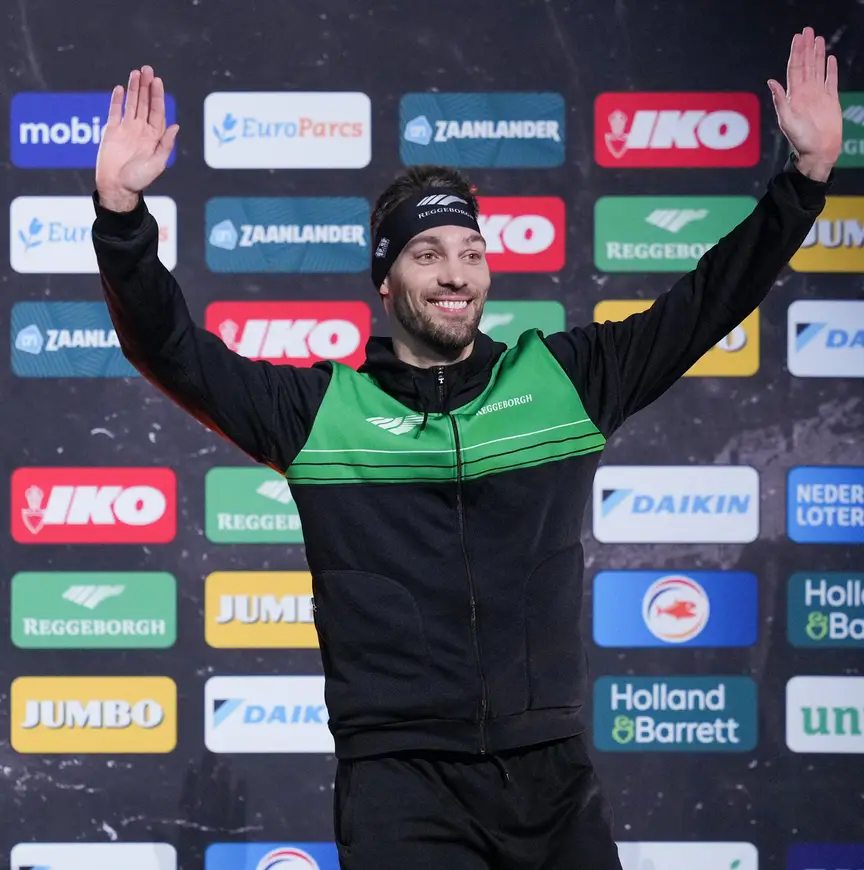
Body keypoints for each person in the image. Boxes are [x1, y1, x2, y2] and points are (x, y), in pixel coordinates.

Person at [91, 27, 840, 870]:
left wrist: (804, 180)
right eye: (428, 254)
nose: (456, 274)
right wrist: (121, 217)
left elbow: (705, 304)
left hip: (551, 779)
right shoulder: (320, 413)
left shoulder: (563, 382)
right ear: (385, 280)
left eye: (471, 252)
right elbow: (169, 348)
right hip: (400, 788)